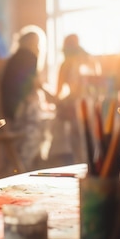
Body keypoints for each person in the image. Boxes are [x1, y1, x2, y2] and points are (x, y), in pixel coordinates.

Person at [0, 25, 55, 171]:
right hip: (20, 110)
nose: (37, 47)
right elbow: (35, 84)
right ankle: (27, 165)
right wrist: (54, 98)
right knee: (44, 126)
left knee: (42, 119)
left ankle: (22, 164)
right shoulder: (28, 56)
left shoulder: (15, 58)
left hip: (10, 111)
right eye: (36, 43)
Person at [52, 34, 97, 164]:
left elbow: (58, 91)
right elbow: (99, 86)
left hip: (75, 106)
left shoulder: (66, 64)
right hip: (90, 105)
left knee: (76, 142)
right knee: (88, 141)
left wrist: (55, 101)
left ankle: (79, 167)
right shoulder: (90, 61)